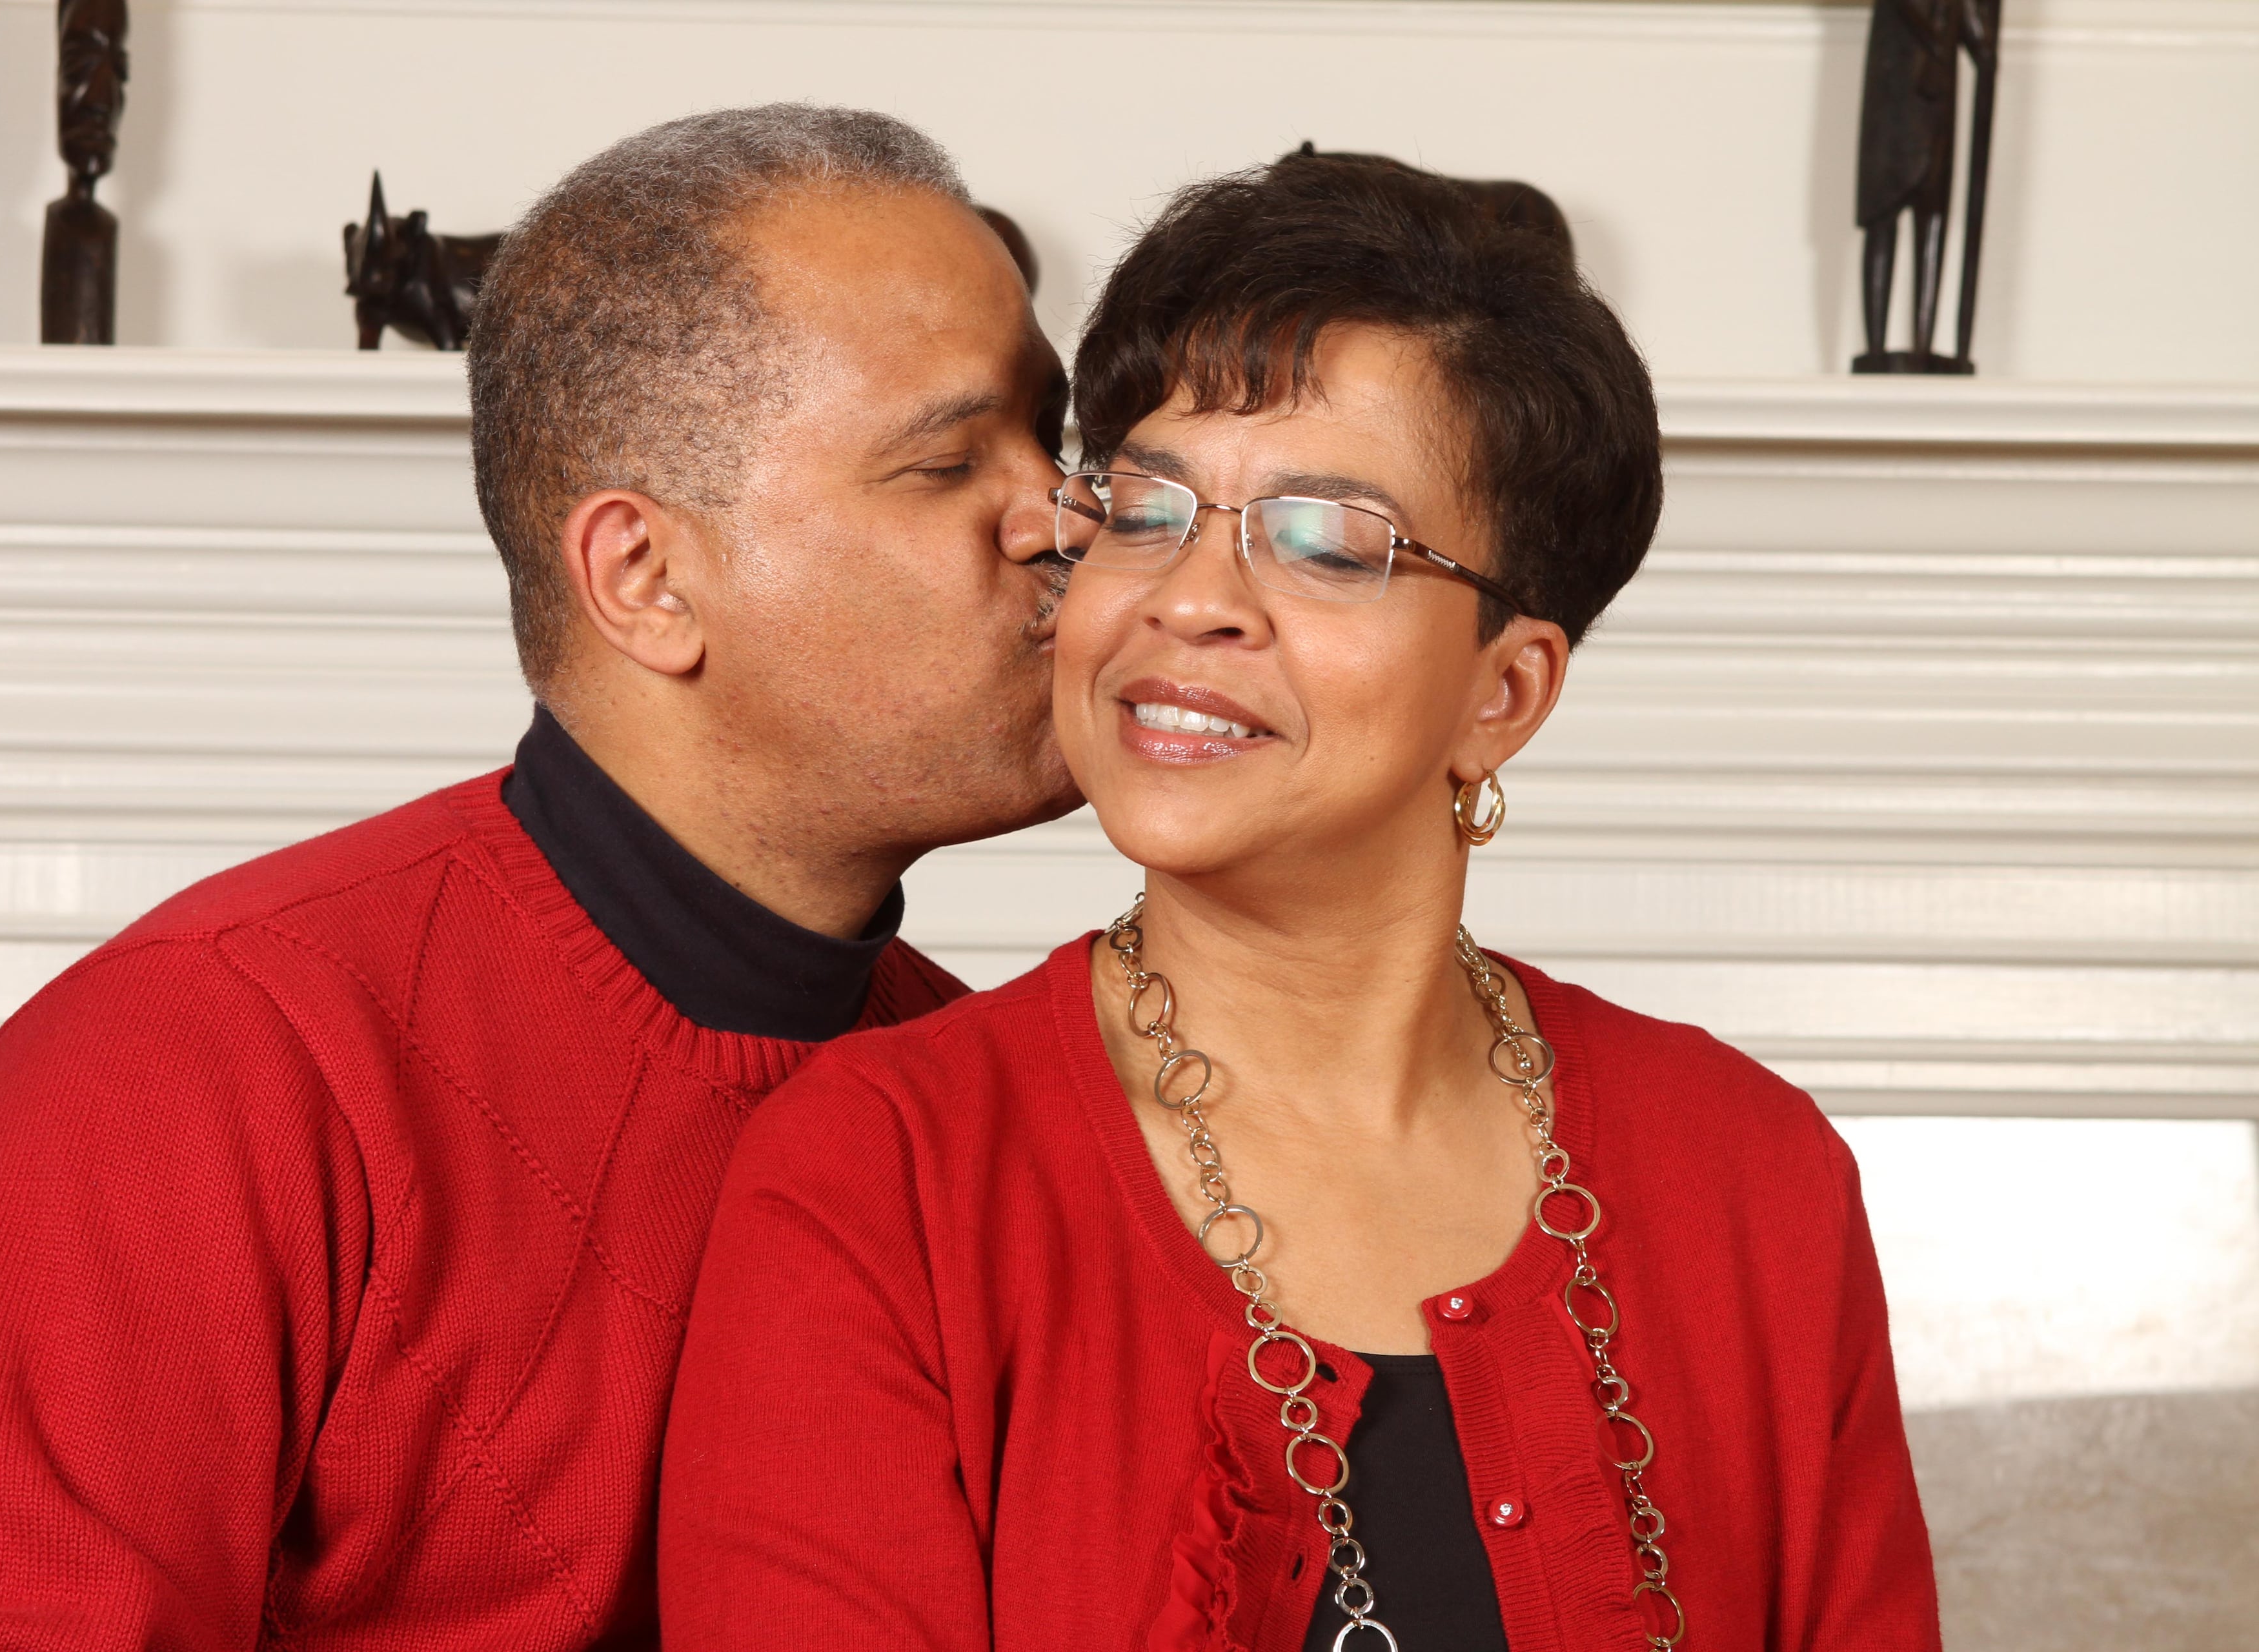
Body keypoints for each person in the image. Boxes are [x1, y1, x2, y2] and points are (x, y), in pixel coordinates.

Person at [0, 105, 1071, 1650]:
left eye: (1048, 437)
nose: (1061, 513)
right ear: (644, 579)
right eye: (949, 460)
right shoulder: (187, 1071)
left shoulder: (993, 1095)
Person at [660, 152, 1941, 1651]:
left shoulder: (1751, 1174)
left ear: (1505, 688)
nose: (1187, 596)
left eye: (1329, 540)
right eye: (1143, 509)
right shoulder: (883, 1175)